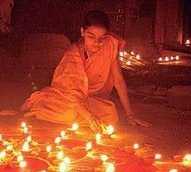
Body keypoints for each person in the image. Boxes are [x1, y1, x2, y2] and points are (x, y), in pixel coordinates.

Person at [21, 10, 150, 133]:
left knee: (111, 113)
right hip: (68, 98)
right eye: (91, 36)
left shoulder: (110, 45)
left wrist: (130, 115)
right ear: (82, 32)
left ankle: (83, 116)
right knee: (69, 114)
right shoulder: (73, 55)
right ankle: (40, 106)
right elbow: (72, 95)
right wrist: (91, 118)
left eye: (102, 38)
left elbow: (118, 80)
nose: (96, 43)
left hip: (91, 99)